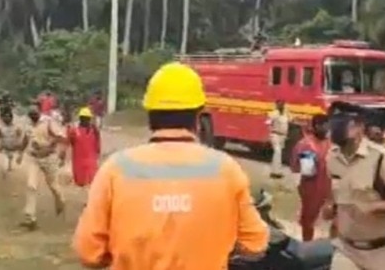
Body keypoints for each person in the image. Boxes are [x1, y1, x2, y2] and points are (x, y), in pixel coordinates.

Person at [71, 61, 269, 269]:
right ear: (199, 117)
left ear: (150, 116)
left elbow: (89, 252)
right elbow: (255, 245)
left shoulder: (115, 169)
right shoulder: (227, 170)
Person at [323, 102, 385, 270]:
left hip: (382, 253)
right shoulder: (332, 158)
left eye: (342, 123)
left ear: (359, 127)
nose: (335, 127)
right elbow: (334, 195)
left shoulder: (379, 159)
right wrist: (330, 207)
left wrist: (375, 207)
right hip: (347, 250)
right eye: (333, 121)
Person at [22, 106, 67, 229]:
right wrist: (20, 152)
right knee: (31, 186)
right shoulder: (28, 125)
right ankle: (30, 218)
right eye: (31, 115)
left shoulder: (48, 122)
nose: (33, 117)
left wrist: (49, 147)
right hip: (34, 157)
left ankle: (61, 200)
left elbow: (60, 136)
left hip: (49, 157)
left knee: (53, 186)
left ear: (39, 113)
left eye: (35, 114)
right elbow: (25, 139)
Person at [291, 113, 332, 241]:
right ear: (315, 126)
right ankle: (307, 245)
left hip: (330, 187)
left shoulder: (329, 143)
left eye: (327, 126)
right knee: (309, 221)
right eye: (323, 126)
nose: (326, 129)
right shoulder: (306, 145)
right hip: (312, 188)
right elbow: (307, 171)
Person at [66, 106, 102, 189]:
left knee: (91, 180)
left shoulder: (94, 130)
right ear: (80, 118)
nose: (86, 120)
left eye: (87, 118)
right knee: (81, 181)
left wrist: (98, 152)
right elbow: (69, 142)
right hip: (79, 160)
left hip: (90, 159)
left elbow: (98, 143)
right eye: (84, 118)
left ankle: (90, 200)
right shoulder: (74, 130)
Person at [0, 107, 29, 178]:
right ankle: (5, 177)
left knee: (10, 158)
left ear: (11, 118)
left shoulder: (17, 128)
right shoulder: (0, 128)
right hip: (5, 148)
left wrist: (20, 153)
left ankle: (10, 165)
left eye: (8, 117)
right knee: (4, 168)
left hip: (14, 147)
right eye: (5, 117)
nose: (6, 119)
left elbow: (20, 138)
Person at [266, 100, 291, 178]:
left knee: (279, 154)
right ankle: (275, 172)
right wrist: (270, 132)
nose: (281, 106)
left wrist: (288, 111)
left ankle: (277, 171)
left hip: (282, 136)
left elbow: (291, 120)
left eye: (282, 104)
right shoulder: (274, 113)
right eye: (280, 105)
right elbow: (268, 122)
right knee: (277, 152)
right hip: (275, 135)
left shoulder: (285, 114)